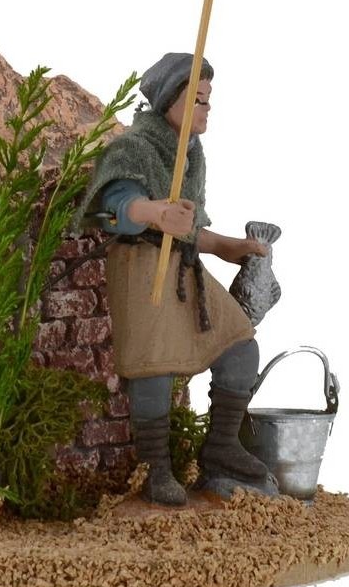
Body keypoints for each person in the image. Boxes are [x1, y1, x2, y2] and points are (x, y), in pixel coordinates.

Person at [80, 52, 279, 505]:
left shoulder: (190, 152)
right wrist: (153, 212)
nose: (207, 108)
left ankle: (221, 448)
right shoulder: (134, 147)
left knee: (239, 345)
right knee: (152, 367)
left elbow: (187, 226)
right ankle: (156, 469)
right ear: (170, 99)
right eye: (198, 100)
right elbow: (117, 204)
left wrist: (226, 246)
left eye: (208, 99)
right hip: (143, 269)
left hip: (184, 269)